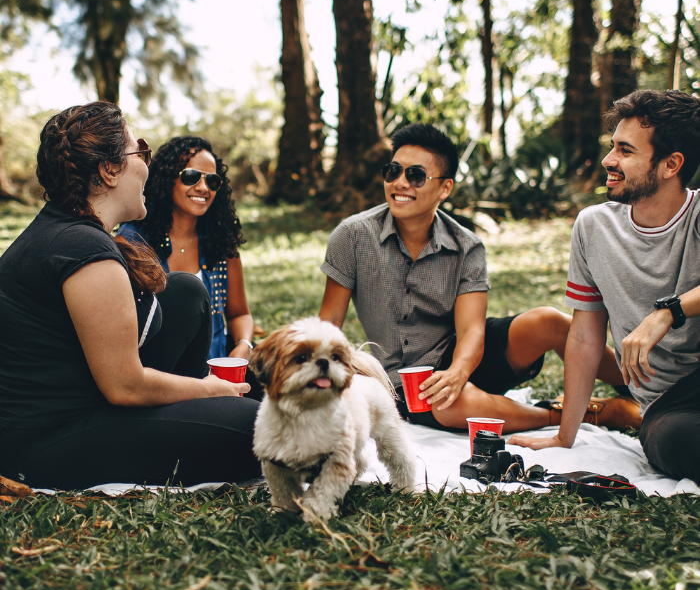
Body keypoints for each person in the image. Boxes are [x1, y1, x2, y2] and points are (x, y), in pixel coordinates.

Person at [0, 102, 261, 490]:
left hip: (89, 400)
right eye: (140, 151)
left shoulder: (70, 230)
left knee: (187, 292)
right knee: (262, 428)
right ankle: (211, 413)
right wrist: (211, 389)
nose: (146, 164)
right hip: (46, 442)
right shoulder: (81, 248)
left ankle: (204, 413)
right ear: (108, 170)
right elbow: (125, 386)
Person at [319, 122, 637, 433]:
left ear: (445, 187)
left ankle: (641, 390)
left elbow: (472, 330)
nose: (400, 183)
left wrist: (458, 372)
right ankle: (586, 413)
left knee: (548, 321)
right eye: (393, 172)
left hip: (464, 356)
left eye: (415, 176)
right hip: (407, 382)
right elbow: (328, 324)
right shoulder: (352, 236)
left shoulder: (466, 246)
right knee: (450, 404)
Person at [510, 90, 700, 482]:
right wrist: (566, 435)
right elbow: (584, 337)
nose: (608, 161)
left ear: (671, 164)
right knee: (672, 443)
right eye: (613, 146)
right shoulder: (594, 226)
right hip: (669, 404)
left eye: (625, 151)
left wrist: (669, 311)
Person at [119, 136, 254, 364]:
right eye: (191, 176)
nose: (202, 187)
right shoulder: (133, 241)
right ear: (166, 179)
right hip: (159, 376)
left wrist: (243, 346)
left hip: (218, 374)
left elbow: (239, 313)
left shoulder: (220, 242)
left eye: (212, 181)